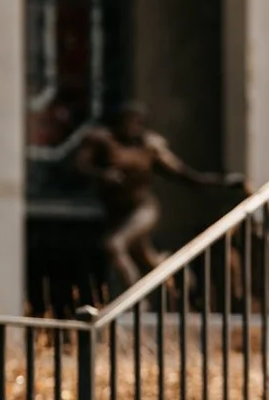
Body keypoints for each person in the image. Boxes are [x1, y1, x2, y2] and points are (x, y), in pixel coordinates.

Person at [75, 103, 242, 288]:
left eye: (137, 123)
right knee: (146, 260)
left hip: (142, 208)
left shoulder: (150, 147)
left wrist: (223, 182)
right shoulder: (101, 140)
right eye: (127, 122)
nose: (131, 128)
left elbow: (185, 175)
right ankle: (178, 275)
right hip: (117, 212)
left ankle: (136, 302)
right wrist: (101, 174)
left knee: (114, 245)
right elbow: (79, 167)